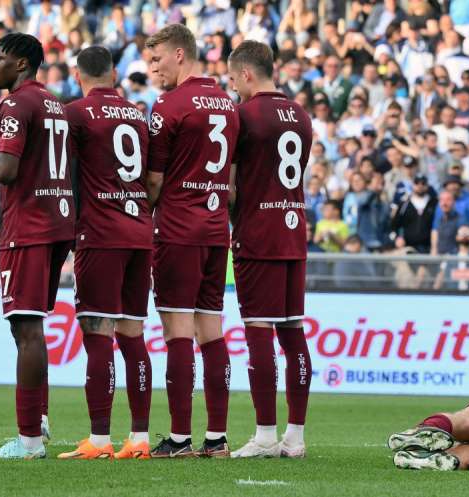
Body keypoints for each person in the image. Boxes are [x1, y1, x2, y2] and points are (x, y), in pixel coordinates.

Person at [0, 33, 75, 459]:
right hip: (58, 222)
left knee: (26, 329)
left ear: (21, 64)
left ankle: (29, 440)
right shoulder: (53, 102)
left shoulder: (15, 104)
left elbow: (5, 170)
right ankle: (40, 419)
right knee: (30, 326)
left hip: (30, 224)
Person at [145, 24, 239, 458]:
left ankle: (180, 438)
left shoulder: (169, 106)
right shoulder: (227, 103)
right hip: (217, 229)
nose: (153, 68)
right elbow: (233, 180)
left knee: (177, 331)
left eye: (157, 59)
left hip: (178, 229)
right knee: (212, 330)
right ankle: (217, 438)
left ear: (180, 54)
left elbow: (155, 181)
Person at [56, 46, 154, 460]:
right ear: (114, 73)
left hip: (100, 233)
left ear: (77, 75)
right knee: (133, 336)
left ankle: (99, 440)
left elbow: (63, 169)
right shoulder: (137, 113)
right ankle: (141, 439)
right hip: (140, 232)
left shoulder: (75, 113)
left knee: (98, 335)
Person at [226, 40, 313, 459]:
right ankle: (294, 436)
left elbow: (231, 184)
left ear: (245, 73)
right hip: (293, 233)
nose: (233, 88)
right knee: (293, 334)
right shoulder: (300, 114)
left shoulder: (243, 116)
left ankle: (264, 434)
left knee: (258, 334)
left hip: (258, 233)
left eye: (232, 79)